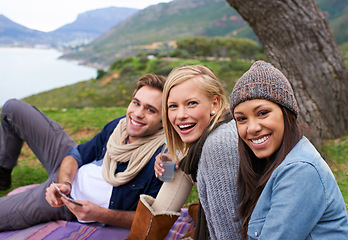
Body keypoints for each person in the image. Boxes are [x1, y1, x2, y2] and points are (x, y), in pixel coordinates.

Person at [0, 73, 166, 231]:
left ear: (163, 121)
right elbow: (77, 154)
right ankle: (3, 175)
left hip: (69, 202)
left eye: (150, 110)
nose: (137, 114)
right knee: (11, 108)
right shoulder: (120, 126)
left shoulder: (162, 160)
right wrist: (65, 183)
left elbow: (153, 218)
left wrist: (101, 215)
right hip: (67, 175)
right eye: (136, 103)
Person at [230, 60, 348, 239]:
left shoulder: (301, 170)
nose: (252, 127)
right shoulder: (270, 165)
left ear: (287, 114)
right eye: (241, 119)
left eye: (262, 113)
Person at [127, 65, 241, 240]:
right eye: (173, 106)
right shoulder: (217, 129)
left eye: (191, 103)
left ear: (215, 103)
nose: (180, 115)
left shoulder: (220, 143)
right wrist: (179, 157)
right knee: (180, 168)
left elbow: (231, 231)